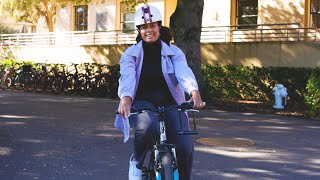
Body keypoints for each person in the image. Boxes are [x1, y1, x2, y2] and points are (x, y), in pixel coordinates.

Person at [114, 5, 205, 180]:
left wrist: (194, 91)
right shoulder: (130, 54)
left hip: (171, 104)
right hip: (142, 103)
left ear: (159, 27)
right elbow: (127, 77)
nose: (149, 30)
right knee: (146, 127)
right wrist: (125, 98)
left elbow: (183, 71)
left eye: (153, 26)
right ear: (139, 30)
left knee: (185, 147)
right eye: (144, 27)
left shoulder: (174, 52)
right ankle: (138, 163)